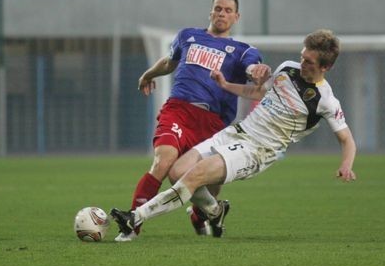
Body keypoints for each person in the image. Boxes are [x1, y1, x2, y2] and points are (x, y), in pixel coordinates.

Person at [111, 29, 357, 239]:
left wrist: (346, 165)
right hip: (237, 132)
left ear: (326, 67)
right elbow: (260, 93)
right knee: (176, 172)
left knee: (194, 175)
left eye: (309, 62)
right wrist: (225, 85)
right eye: (302, 57)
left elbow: (347, 140)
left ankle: (135, 217)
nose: (302, 63)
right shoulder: (287, 69)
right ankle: (215, 212)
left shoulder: (326, 101)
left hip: (258, 150)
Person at [116, 0, 269, 241]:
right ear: (210, 12)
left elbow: (252, 70)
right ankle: (132, 223)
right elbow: (169, 62)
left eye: (228, 10)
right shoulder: (188, 35)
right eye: (218, 8)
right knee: (163, 162)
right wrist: (148, 74)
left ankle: (204, 214)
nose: (222, 13)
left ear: (236, 17)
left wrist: (257, 72)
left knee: (209, 181)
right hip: (179, 109)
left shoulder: (243, 51)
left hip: (214, 122)